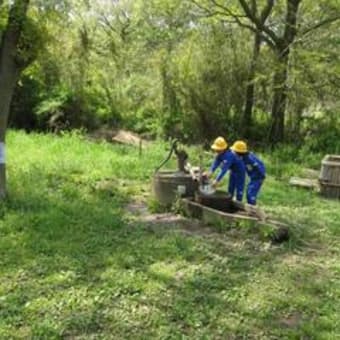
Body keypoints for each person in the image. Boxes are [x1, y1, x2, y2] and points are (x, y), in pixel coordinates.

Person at [205, 137, 246, 201]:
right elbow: (215, 163)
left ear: (223, 149)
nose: (216, 151)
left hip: (240, 171)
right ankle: (229, 201)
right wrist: (210, 172)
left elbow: (224, 170)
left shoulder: (229, 155)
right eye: (216, 149)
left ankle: (239, 202)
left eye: (218, 150)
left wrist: (217, 180)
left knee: (239, 189)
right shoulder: (219, 154)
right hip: (233, 171)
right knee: (230, 189)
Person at [231, 140, 266, 205]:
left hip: (258, 177)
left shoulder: (249, 158)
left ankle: (253, 208)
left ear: (239, 152)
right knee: (248, 192)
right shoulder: (243, 158)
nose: (234, 153)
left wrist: (262, 175)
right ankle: (251, 206)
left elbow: (258, 165)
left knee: (250, 193)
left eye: (235, 152)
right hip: (253, 177)